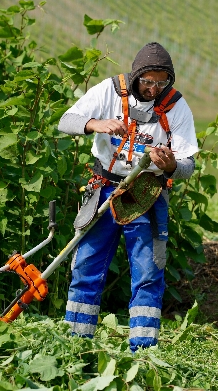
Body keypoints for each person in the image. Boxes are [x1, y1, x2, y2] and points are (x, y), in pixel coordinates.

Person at [58, 42, 199, 353]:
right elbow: (66, 120)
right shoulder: (109, 91)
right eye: (148, 81)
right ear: (137, 76)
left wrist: (171, 164)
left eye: (161, 82)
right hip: (104, 189)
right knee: (87, 265)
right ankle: (75, 344)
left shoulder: (176, 107)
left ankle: (144, 351)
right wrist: (96, 123)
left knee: (148, 271)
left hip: (146, 195)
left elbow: (188, 164)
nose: (153, 88)